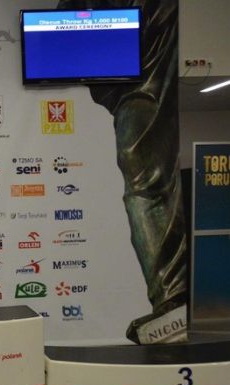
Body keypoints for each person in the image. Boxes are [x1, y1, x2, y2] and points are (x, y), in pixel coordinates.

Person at [58, 0, 187, 344]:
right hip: (135, 73)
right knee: (142, 177)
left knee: (143, 174)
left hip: (154, 50)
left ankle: (174, 295)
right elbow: (67, 31)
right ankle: (172, 296)